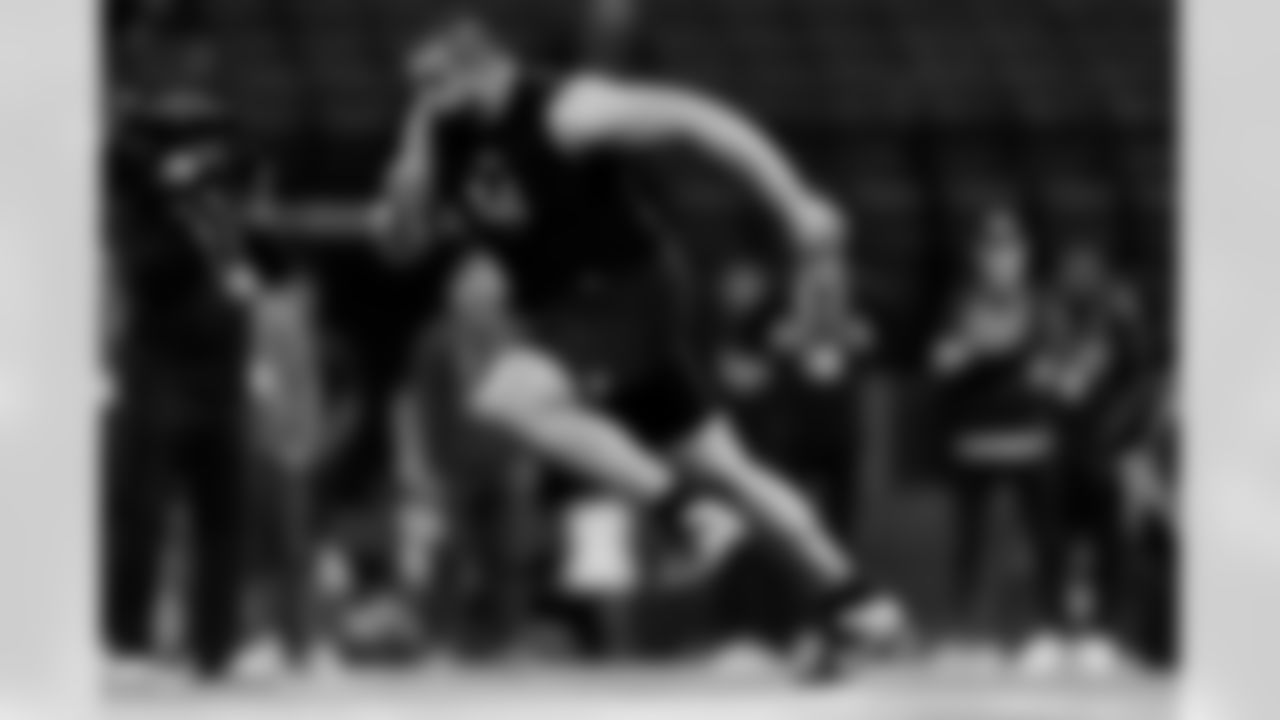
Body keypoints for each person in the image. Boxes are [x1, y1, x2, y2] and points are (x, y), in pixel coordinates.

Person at [259, 18, 907, 679]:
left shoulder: (565, 109)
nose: (424, 98)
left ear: (484, 65)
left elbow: (698, 120)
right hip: (571, 311)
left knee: (507, 400)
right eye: (416, 88)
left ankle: (687, 514)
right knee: (723, 462)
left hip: (626, 288)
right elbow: (400, 248)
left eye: (435, 84)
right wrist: (413, 144)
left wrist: (794, 200)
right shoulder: (442, 137)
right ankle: (857, 602)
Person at [928, 206, 1062, 673]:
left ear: (1025, 255)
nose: (1001, 257)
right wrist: (960, 354)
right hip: (976, 439)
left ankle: (1042, 632)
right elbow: (939, 364)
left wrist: (1049, 374)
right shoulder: (958, 305)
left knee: (1040, 540)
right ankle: (967, 637)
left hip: (1029, 439)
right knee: (971, 544)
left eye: (1010, 247)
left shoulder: (1042, 304)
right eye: (991, 247)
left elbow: (1058, 370)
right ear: (976, 256)